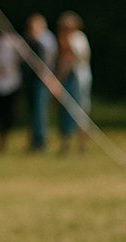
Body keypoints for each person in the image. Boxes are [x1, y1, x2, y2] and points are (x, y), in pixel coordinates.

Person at [55, 11, 92, 155]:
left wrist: (59, 79)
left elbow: (69, 61)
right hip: (71, 79)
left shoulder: (77, 39)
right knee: (66, 113)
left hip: (77, 80)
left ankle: (82, 146)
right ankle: (67, 145)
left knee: (79, 111)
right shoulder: (68, 39)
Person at [23, 13, 58, 151]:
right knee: (32, 112)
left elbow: (47, 62)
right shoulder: (29, 40)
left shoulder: (45, 40)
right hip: (31, 81)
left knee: (39, 111)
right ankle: (34, 140)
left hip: (42, 81)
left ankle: (40, 141)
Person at [0, 27, 25, 151]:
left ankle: (5, 139)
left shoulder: (16, 42)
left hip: (12, 83)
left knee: (9, 113)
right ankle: (0, 139)